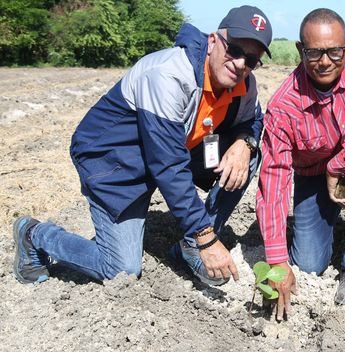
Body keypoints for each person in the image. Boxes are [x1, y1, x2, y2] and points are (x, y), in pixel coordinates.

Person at [12, 6, 272, 286]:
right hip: (117, 162)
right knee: (121, 270)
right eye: (234, 49)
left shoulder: (244, 85)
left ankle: (189, 246)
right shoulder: (169, 75)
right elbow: (169, 167)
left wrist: (245, 142)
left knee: (248, 156)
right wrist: (207, 239)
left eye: (251, 59)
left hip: (176, 149)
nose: (240, 64)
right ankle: (34, 234)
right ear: (212, 42)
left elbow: (254, 120)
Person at [256, 8, 345, 319]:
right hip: (313, 175)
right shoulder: (283, 107)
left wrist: (338, 165)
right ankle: (323, 227)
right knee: (309, 265)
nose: (325, 61)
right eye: (314, 53)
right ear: (300, 50)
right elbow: (273, 183)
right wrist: (277, 260)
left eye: (334, 51)